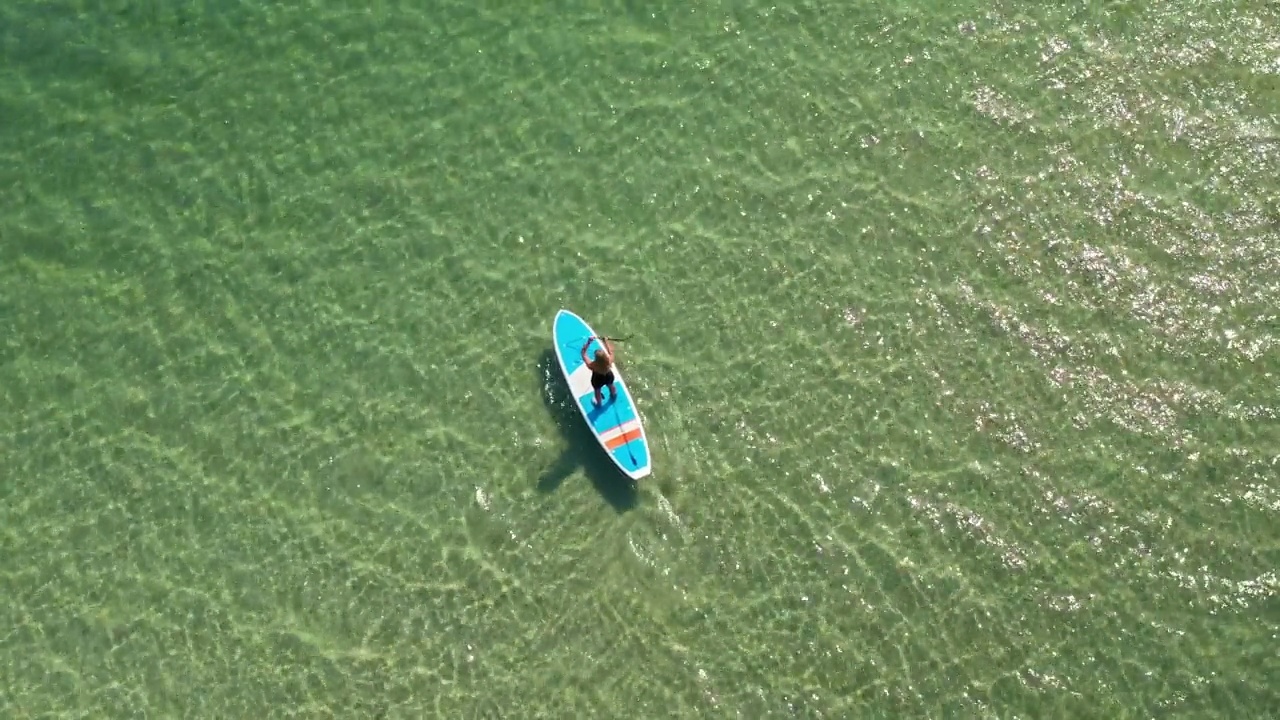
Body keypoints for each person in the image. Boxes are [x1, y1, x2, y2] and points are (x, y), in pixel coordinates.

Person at [580, 336, 616, 405]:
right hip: (609, 375)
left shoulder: (593, 365)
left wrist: (588, 342)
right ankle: (613, 394)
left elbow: (583, 354)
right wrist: (606, 341)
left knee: (597, 391)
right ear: (605, 357)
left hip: (597, 379)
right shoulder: (609, 361)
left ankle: (599, 403)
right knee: (611, 385)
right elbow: (611, 352)